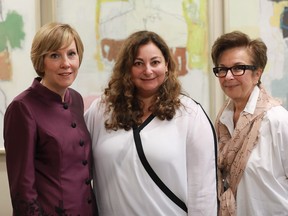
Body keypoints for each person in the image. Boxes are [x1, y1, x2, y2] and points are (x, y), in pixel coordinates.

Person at [84, 30, 218, 216]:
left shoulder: (190, 114)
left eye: (155, 62)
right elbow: (75, 165)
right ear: (127, 68)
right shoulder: (101, 111)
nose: (148, 70)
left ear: (167, 66)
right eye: (138, 63)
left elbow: (203, 192)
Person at [3, 22, 97, 215]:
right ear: (41, 61)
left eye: (71, 53)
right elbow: (23, 191)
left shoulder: (77, 100)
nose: (66, 63)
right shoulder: (22, 108)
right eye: (55, 55)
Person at [211, 31, 288, 216]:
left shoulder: (277, 120)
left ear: (257, 73)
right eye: (222, 69)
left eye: (238, 68)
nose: (228, 76)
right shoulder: (221, 121)